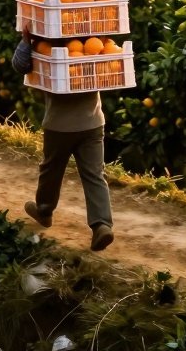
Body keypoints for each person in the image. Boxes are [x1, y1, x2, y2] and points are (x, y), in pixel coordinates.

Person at [12, 32, 114, 251]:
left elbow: (20, 65)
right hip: (92, 122)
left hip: (59, 125)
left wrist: (26, 39)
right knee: (95, 174)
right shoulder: (94, 42)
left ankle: (44, 210)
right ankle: (102, 225)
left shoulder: (44, 46)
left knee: (51, 169)